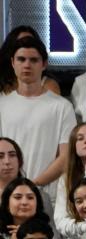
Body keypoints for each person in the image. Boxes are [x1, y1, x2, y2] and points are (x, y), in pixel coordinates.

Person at [0, 37, 75, 209]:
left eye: (33, 60)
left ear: (44, 64)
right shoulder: (2, 104)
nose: (27, 65)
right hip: (5, 195)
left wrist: (32, 185)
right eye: (21, 59)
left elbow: (66, 156)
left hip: (47, 196)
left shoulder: (62, 107)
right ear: (12, 62)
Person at [0, 178, 64, 239]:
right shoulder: (1, 234)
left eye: (30, 197)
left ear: (37, 204)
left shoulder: (47, 233)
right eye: (18, 197)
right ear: (7, 204)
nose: (24, 202)